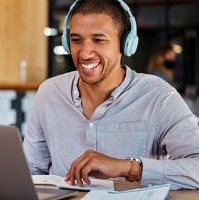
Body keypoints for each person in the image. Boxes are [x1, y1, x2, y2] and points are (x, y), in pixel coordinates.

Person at [23, 0, 199, 190]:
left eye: (99, 40)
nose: (85, 53)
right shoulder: (49, 93)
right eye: (76, 40)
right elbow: (30, 172)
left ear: (125, 44)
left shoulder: (159, 97)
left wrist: (127, 167)